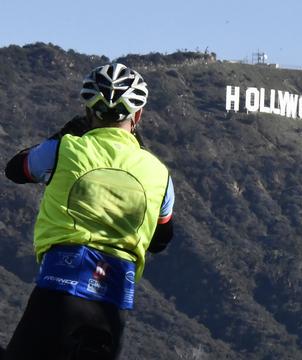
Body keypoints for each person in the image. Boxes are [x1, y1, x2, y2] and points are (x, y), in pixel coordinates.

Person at [2, 63, 175, 359]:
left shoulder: (64, 149)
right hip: (114, 303)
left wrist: (64, 133)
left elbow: (16, 169)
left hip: (61, 290)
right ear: (138, 116)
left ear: (87, 112)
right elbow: (160, 240)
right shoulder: (160, 175)